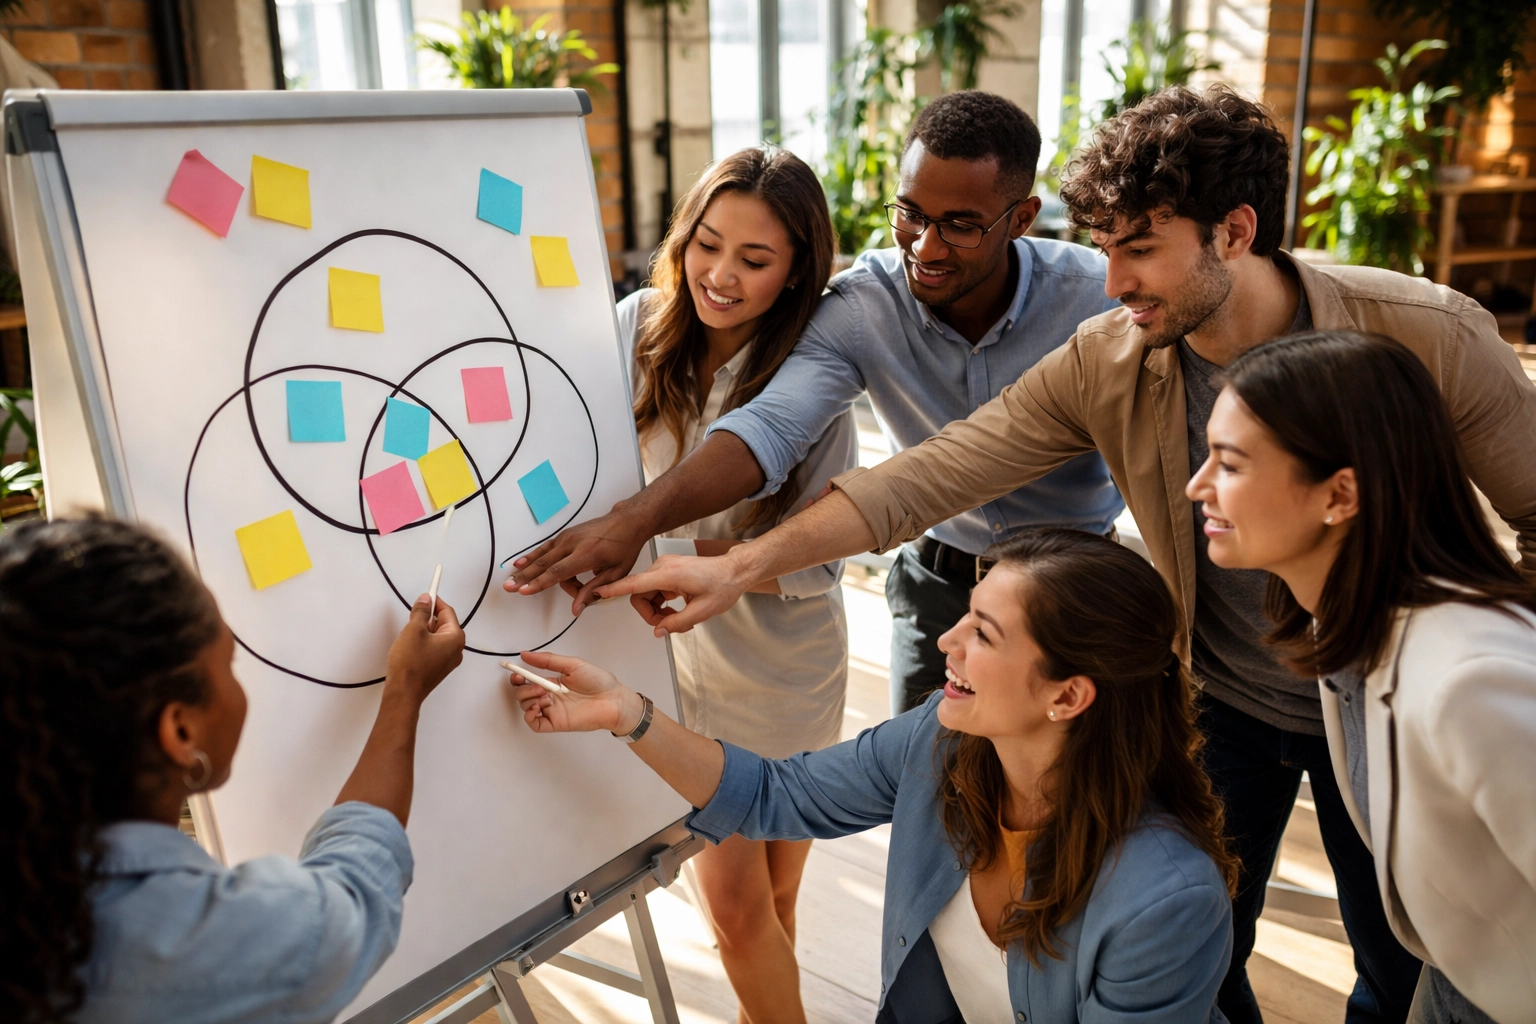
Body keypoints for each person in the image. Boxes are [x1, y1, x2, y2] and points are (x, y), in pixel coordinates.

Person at [591, 86, 1536, 1024]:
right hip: (1223, 694)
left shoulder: (1426, 337)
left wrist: (1483, 657)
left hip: (1382, 694)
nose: (1113, 280)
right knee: (1202, 945)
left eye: (1138, 252)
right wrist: (727, 565)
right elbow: (933, 474)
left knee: (1402, 955)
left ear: (1235, 231)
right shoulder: (1109, 348)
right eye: (1107, 249)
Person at [507, 90, 1121, 715]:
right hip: (939, 583)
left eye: (961, 226)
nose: (927, 247)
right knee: (925, 786)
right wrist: (634, 522)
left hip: (1078, 587)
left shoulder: (1099, 299)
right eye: (910, 214)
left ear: (1020, 220)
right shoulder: (863, 308)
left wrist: (649, 537)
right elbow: (770, 428)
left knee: (1088, 790)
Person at [513, 528, 1238, 1023]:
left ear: (1068, 696)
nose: (947, 640)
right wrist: (628, 714)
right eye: (966, 616)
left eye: (983, 634)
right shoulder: (940, 744)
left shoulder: (1165, 900)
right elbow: (774, 794)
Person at [1185, 330, 1536, 1024]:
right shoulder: (1343, 626)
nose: (1198, 486)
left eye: (1228, 464)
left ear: (1340, 495)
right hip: (1458, 978)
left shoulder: (1473, 677)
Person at [0, 516, 465, 1024]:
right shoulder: (201, 943)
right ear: (180, 732)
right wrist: (406, 689)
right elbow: (353, 891)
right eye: (230, 663)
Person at [616, 146, 854, 1024]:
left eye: (755, 261)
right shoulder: (633, 329)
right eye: (707, 245)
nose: (721, 275)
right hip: (670, 668)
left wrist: (706, 567)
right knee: (736, 909)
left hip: (785, 668)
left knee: (777, 901)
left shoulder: (816, 370)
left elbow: (824, 554)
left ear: (797, 272)